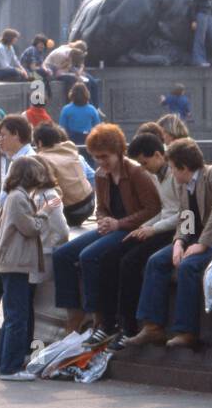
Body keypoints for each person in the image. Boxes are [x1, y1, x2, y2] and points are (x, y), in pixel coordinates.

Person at [51, 123, 161, 339]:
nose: (101, 162)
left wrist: (118, 224)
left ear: (119, 152)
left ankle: (99, 318)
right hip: (112, 226)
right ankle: (73, 313)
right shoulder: (102, 175)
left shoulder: (137, 172)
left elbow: (153, 209)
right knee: (61, 255)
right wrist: (102, 220)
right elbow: (101, 207)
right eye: (97, 157)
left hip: (132, 228)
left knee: (89, 256)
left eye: (105, 157)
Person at [126, 137, 212, 350]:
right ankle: (152, 326)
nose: (171, 173)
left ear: (184, 167)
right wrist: (178, 242)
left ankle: (187, 331)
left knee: (188, 266)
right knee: (156, 261)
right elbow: (186, 217)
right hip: (194, 239)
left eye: (173, 168)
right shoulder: (184, 185)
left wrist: (202, 243)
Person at [0, 157, 62, 380]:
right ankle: (10, 367)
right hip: (17, 263)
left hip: (14, 262)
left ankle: (6, 364)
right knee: (17, 316)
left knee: (14, 315)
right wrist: (44, 211)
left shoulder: (16, 196)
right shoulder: (18, 198)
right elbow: (31, 228)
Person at [116, 131, 181, 341]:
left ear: (157, 155)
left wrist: (153, 228)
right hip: (164, 225)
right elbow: (166, 210)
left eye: (145, 163)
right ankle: (121, 319)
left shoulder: (176, 173)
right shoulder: (157, 175)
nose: (144, 169)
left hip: (175, 231)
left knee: (131, 261)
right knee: (120, 251)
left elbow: (183, 213)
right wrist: (145, 226)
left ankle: (132, 323)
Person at [32, 122, 95, 226]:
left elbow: (56, 194)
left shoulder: (42, 159)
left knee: (43, 190)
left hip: (72, 212)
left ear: (39, 143)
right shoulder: (70, 147)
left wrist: (42, 214)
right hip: (90, 203)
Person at [58, 82, 104, 149]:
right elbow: (97, 127)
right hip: (88, 141)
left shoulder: (66, 109)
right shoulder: (92, 109)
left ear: (72, 94)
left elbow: (62, 128)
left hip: (72, 142)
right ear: (86, 94)